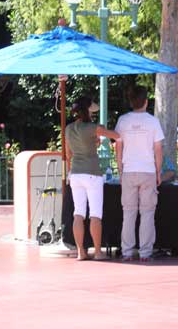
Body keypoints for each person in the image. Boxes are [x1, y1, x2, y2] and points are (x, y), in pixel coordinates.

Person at [65, 97, 120, 261]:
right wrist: (100, 132)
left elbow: (69, 154)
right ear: (87, 110)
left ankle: (81, 252)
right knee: (95, 214)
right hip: (92, 173)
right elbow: (115, 135)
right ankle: (97, 252)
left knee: (78, 214)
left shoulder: (68, 129)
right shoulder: (92, 127)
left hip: (75, 173)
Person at [115, 86, 164, 261]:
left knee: (128, 213)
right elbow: (158, 150)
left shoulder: (122, 120)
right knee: (147, 212)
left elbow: (118, 146)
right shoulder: (153, 122)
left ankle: (127, 251)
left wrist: (120, 169)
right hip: (148, 170)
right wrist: (159, 172)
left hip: (128, 170)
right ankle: (145, 252)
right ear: (146, 101)